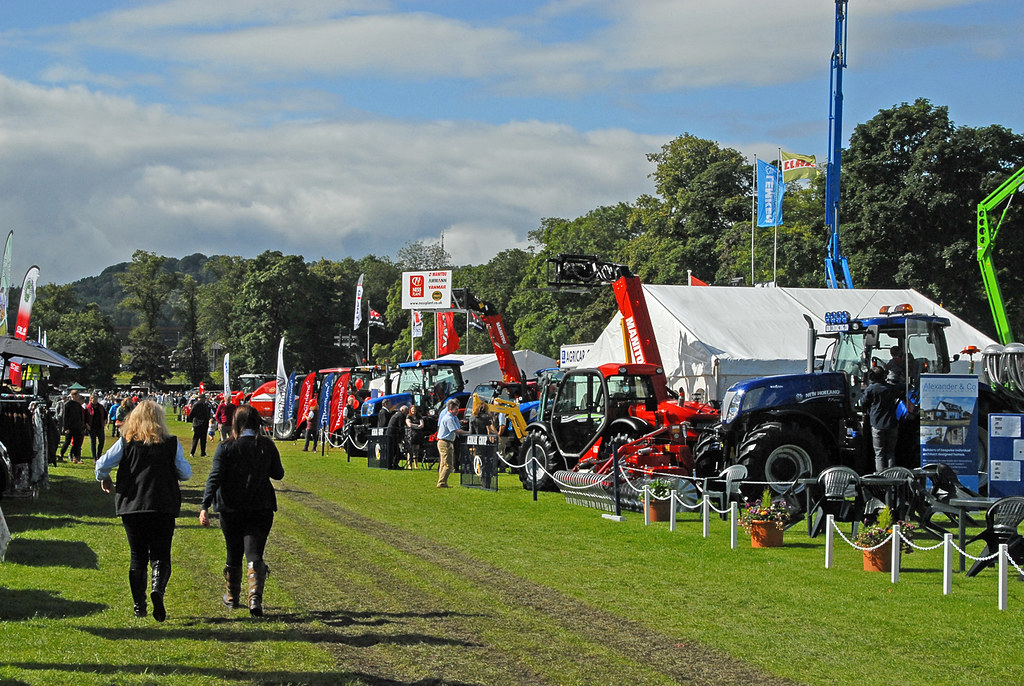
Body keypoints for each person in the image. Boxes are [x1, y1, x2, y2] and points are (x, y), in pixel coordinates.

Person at [95, 399, 192, 621]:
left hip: (133, 504)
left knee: (137, 555)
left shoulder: (126, 442)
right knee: (161, 552)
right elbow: (185, 473)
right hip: (163, 504)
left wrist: (105, 478)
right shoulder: (170, 444)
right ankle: (158, 589)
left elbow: (101, 465)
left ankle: (139, 605)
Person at [199, 406, 284, 617]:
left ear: (236, 423)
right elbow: (278, 474)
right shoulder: (266, 445)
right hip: (260, 506)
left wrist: (204, 506)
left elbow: (215, 477)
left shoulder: (225, 447)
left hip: (231, 508)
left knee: (233, 551)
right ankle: (254, 597)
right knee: (254, 553)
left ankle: (232, 596)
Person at [862, 367, 900, 471]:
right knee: (890, 452)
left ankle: (881, 477)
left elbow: (863, 402)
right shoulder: (891, 388)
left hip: (877, 424)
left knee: (879, 453)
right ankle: (892, 475)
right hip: (891, 423)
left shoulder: (871, 389)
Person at [435, 399, 467, 489]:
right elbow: (455, 430)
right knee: (448, 465)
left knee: (443, 464)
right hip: (445, 442)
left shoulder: (453, 417)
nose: (457, 411)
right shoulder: (448, 418)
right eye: (455, 409)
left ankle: (442, 482)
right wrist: (468, 432)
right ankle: (441, 483)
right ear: (450, 409)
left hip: (446, 442)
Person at [59, 390, 86, 464]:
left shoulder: (78, 405)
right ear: (73, 396)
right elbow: (65, 417)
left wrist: (81, 427)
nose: (78, 397)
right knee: (67, 442)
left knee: (77, 443)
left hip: (77, 426)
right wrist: (65, 428)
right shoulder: (67, 404)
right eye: (77, 395)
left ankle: (76, 458)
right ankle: (61, 455)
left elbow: (80, 416)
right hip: (70, 427)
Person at [189, 393, 212, 457]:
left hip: (204, 423)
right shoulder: (196, 404)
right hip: (197, 424)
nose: (204, 399)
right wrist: (192, 421)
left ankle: (203, 453)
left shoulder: (206, 405)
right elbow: (191, 414)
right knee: (196, 438)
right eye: (203, 398)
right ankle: (192, 452)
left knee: (203, 439)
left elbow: (208, 413)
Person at [386, 404, 409, 468]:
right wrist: (403, 436)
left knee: (393, 451)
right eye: (406, 411)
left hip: (390, 434)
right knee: (396, 452)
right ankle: (393, 465)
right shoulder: (400, 416)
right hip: (393, 435)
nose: (407, 413)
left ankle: (392, 464)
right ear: (402, 410)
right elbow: (401, 427)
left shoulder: (396, 415)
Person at [87, 393, 107, 459]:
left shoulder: (100, 407)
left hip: (100, 426)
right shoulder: (88, 407)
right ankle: (94, 457)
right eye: (93, 399)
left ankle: (99, 455)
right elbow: (85, 417)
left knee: (102, 441)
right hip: (92, 427)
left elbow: (105, 415)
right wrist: (87, 425)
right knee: (93, 442)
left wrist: (104, 422)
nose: (95, 400)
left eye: (96, 399)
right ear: (90, 399)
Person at [405, 405, 425, 469]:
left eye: (414, 409)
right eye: (412, 409)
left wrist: (416, 426)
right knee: (410, 450)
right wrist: (417, 426)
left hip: (417, 435)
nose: (413, 411)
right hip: (410, 435)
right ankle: (409, 465)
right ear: (410, 410)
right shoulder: (408, 416)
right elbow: (409, 424)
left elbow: (422, 425)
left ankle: (416, 465)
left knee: (416, 450)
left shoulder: (419, 417)